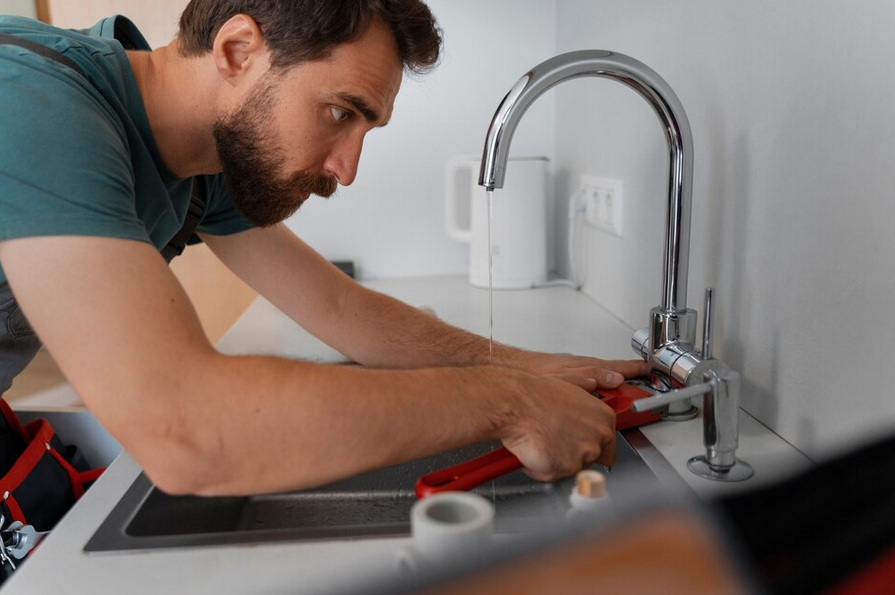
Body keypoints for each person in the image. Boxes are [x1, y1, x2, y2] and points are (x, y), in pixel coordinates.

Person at [0, 0, 648, 499]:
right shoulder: (33, 103)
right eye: (341, 112)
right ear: (237, 50)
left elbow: (340, 308)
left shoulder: (201, 165)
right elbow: (183, 429)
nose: (346, 168)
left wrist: (524, 367)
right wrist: (506, 402)